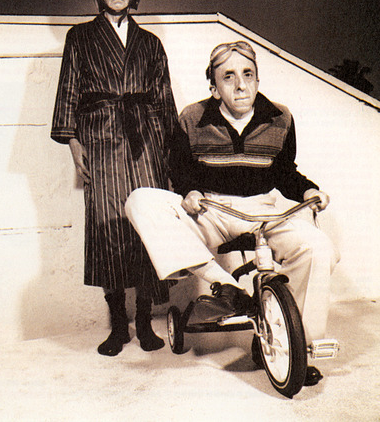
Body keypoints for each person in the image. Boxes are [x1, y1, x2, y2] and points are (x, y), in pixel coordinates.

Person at [125, 41, 339, 385]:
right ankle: (226, 287)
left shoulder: (280, 117)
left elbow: (285, 172)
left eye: (248, 74)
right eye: (228, 77)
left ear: (257, 79)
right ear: (214, 87)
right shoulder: (192, 117)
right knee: (139, 200)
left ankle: (296, 346)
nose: (241, 85)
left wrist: (308, 191)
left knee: (318, 247)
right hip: (211, 208)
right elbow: (179, 168)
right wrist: (189, 192)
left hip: (263, 210)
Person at [51, 0, 178, 356]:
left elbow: (164, 100)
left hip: (146, 141)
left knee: (147, 225)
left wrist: (170, 154)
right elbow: (69, 92)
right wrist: (75, 146)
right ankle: (118, 324)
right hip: (100, 138)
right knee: (108, 226)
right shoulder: (80, 38)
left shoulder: (150, 44)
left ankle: (145, 319)